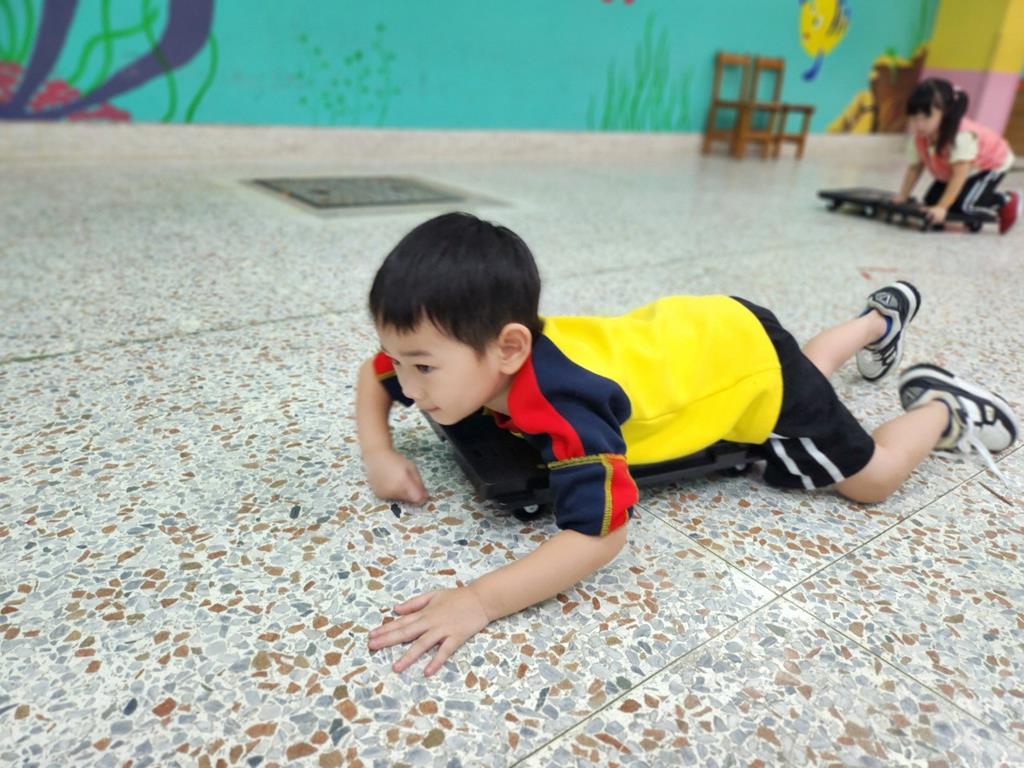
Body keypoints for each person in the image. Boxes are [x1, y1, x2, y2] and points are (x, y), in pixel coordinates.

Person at [356, 212, 1019, 676]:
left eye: (423, 368)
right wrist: (380, 454)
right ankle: (878, 320)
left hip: (742, 362)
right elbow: (373, 373)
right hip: (712, 332)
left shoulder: (566, 404)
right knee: (802, 373)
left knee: (871, 479)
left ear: (509, 348)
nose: (406, 384)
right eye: (404, 361)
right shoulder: (467, 344)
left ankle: (942, 406)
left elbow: (600, 535)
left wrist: (477, 600)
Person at [893, 78, 1020, 234]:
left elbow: (959, 175)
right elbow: (915, 167)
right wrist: (903, 196)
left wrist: (942, 208)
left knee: (963, 205)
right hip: (958, 168)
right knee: (930, 201)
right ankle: (964, 207)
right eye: (914, 118)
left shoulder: (961, 136)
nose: (919, 125)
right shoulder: (920, 136)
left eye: (926, 118)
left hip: (990, 164)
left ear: (945, 113)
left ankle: (1004, 201)